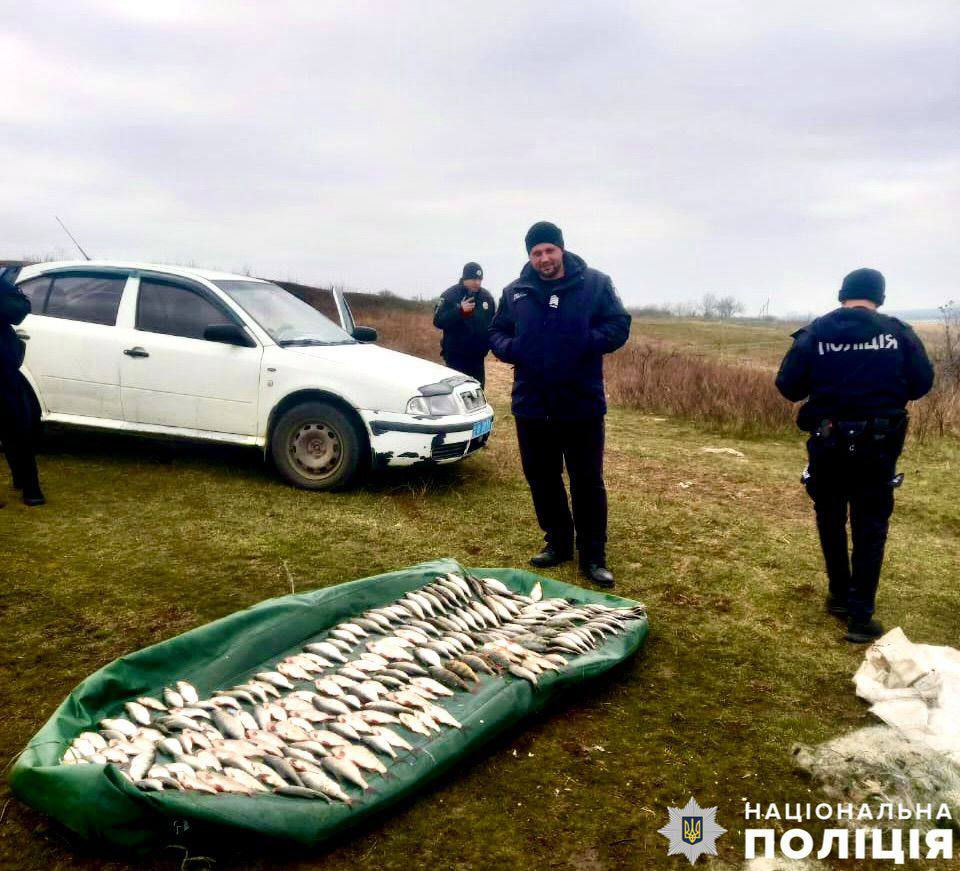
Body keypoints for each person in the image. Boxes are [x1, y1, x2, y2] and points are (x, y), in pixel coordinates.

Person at [776, 268, 933, 643]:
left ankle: (839, 595)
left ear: (842, 294)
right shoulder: (898, 333)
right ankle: (861, 617)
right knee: (870, 526)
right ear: (879, 297)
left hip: (828, 443)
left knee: (830, 516)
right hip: (879, 446)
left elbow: (788, 386)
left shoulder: (815, 332)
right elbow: (922, 383)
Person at [489, 221, 631, 588]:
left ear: (562, 250)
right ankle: (558, 543)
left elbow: (619, 325)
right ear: (530, 256)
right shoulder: (515, 292)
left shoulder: (595, 284)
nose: (544, 258)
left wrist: (586, 340)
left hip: (580, 402)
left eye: (549, 250)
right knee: (542, 478)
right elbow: (496, 331)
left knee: (586, 481)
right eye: (536, 253)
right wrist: (511, 348)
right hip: (532, 403)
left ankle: (593, 556)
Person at [0, 270, 44, 506]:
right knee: (17, 429)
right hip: (2, 373)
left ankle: (26, 484)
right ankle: (31, 490)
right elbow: (18, 311)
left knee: (14, 430)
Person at [432, 262, 496, 387]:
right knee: (456, 395)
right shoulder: (450, 295)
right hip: (456, 357)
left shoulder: (486, 297)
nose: (477, 282)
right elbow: (438, 321)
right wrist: (459, 312)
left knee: (477, 393)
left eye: (480, 279)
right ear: (465, 278)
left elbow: (493, 323)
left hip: (477, 358)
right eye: (474, 279)